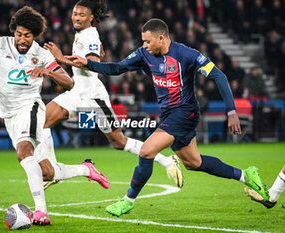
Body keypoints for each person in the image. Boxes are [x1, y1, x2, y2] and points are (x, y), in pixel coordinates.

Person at [67, 18, 269, 216]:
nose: (144, 45)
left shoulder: (187, 55)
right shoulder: (144, 54)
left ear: (161, 38)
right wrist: (88, 64)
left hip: (185, 113)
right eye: (142, 41)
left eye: (147, 41)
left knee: (146, 151)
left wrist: (231, 111)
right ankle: (245, 175)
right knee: (194, 163)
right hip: (169, 115)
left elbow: (219, 76)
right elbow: (117, 68)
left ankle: (127, 201)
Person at [0, 6, 109, 226]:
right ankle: (86, 169)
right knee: (48, 173)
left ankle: (41, 212)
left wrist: (48, 71)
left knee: (24, 153)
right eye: (19, 34)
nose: (23, 39)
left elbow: (69, 83)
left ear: (35, 36)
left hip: (30, 109)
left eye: (28, 36)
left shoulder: (41, 54)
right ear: (14, 31)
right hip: (9, 115)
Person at [43, 0, 184, 188]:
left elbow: (92, 62)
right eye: (75, 14)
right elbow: (99, 55)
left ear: (91, 17)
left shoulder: (90, 35)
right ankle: (54, 171)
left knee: (118, 141)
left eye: (82, 15)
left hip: (93, 97)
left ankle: (166, 161)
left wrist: (61, 58)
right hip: (78, 92)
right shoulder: (83, 34)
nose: (76, 17)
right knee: (41, 122)